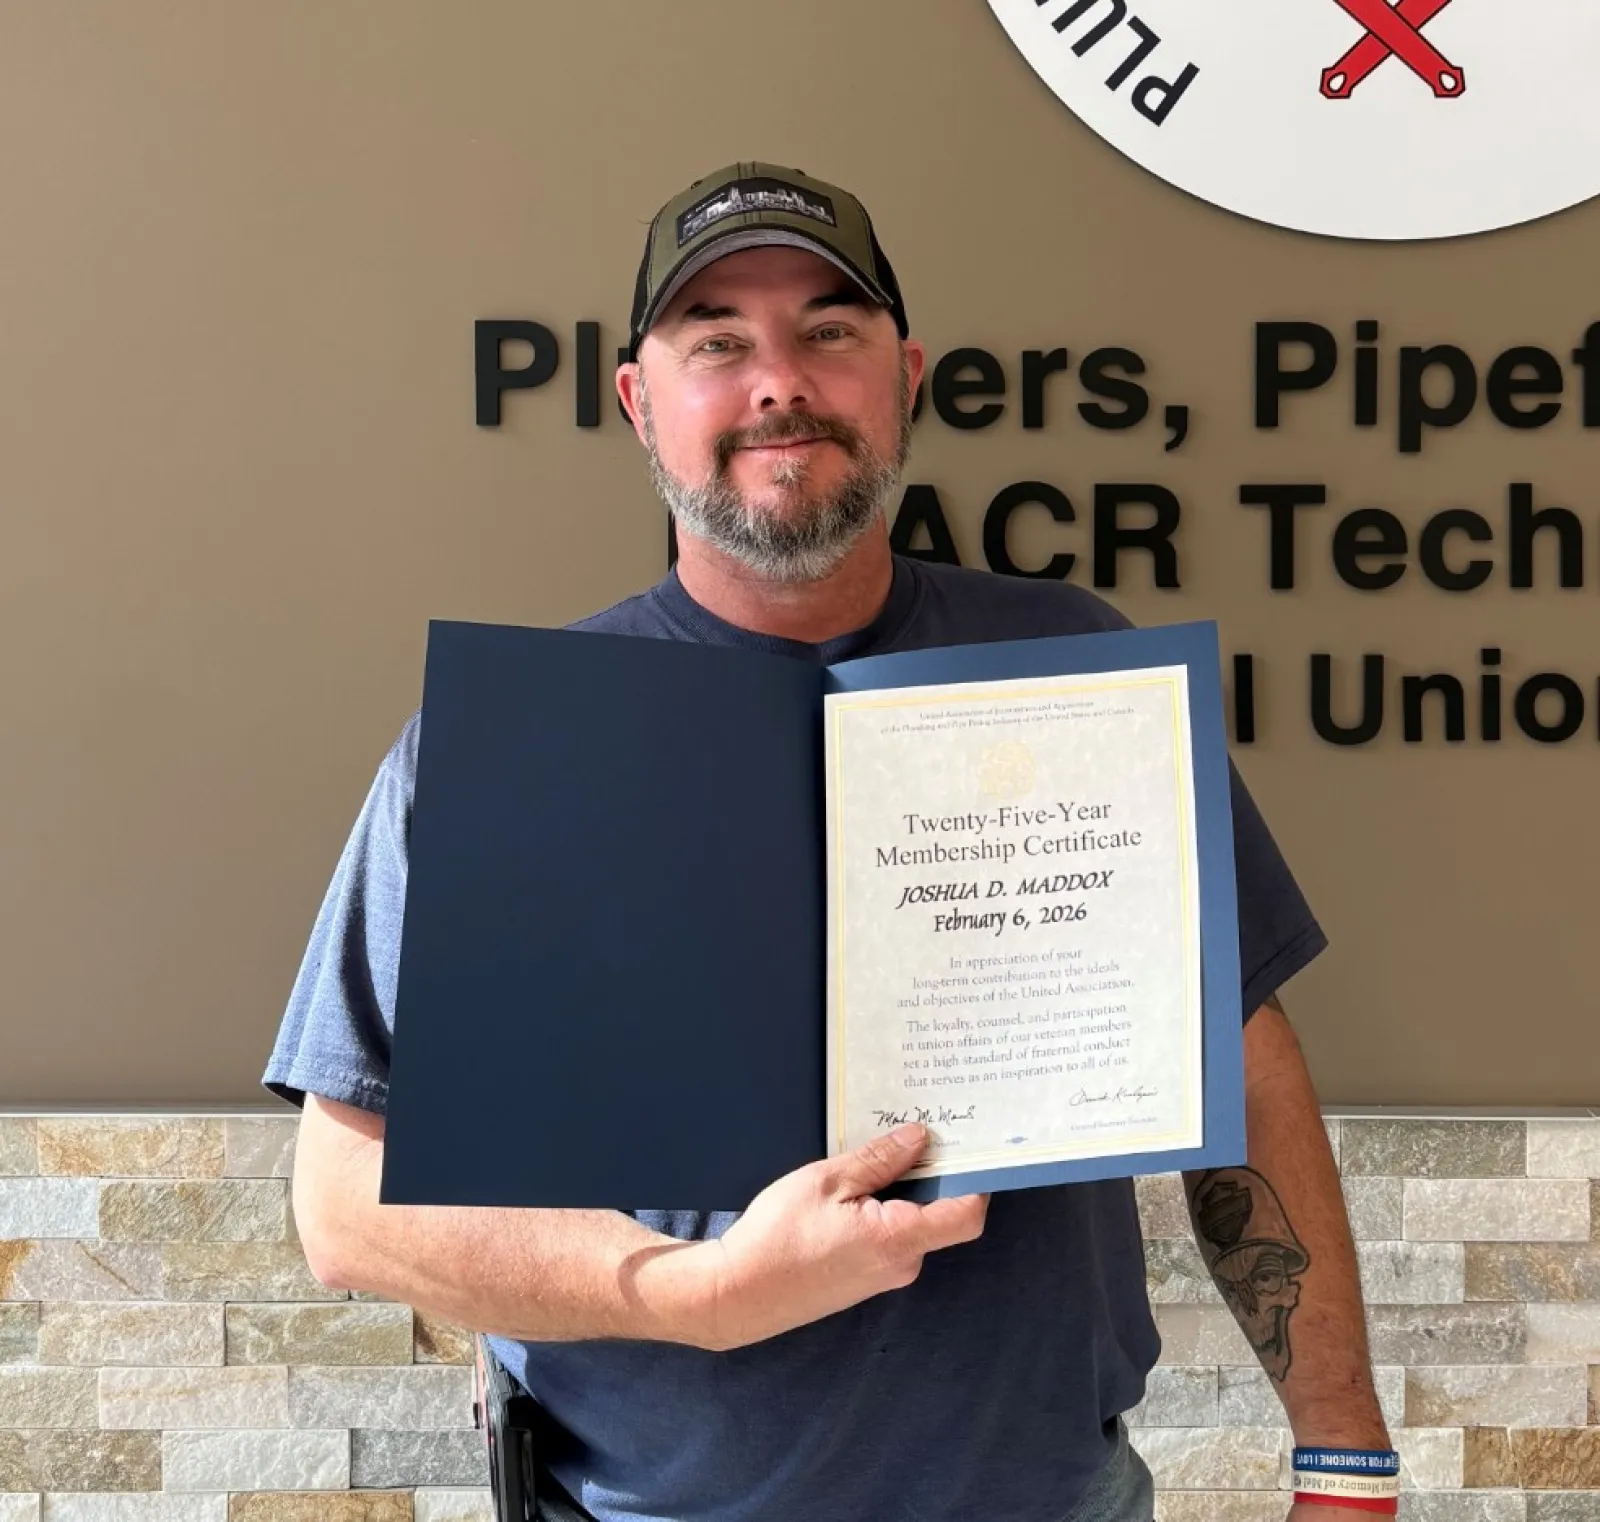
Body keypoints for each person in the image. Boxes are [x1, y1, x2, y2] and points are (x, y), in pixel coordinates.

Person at [267, 162, 1393, 1522]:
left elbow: (1242, 1069)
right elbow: (343, 1202)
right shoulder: (497, 747)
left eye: (830, 332)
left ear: (904, 376)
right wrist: (706, 1294)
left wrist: (1342, 1448)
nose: (777, 382)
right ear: (640, 400)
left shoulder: (1068, 665)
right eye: (718, 342)